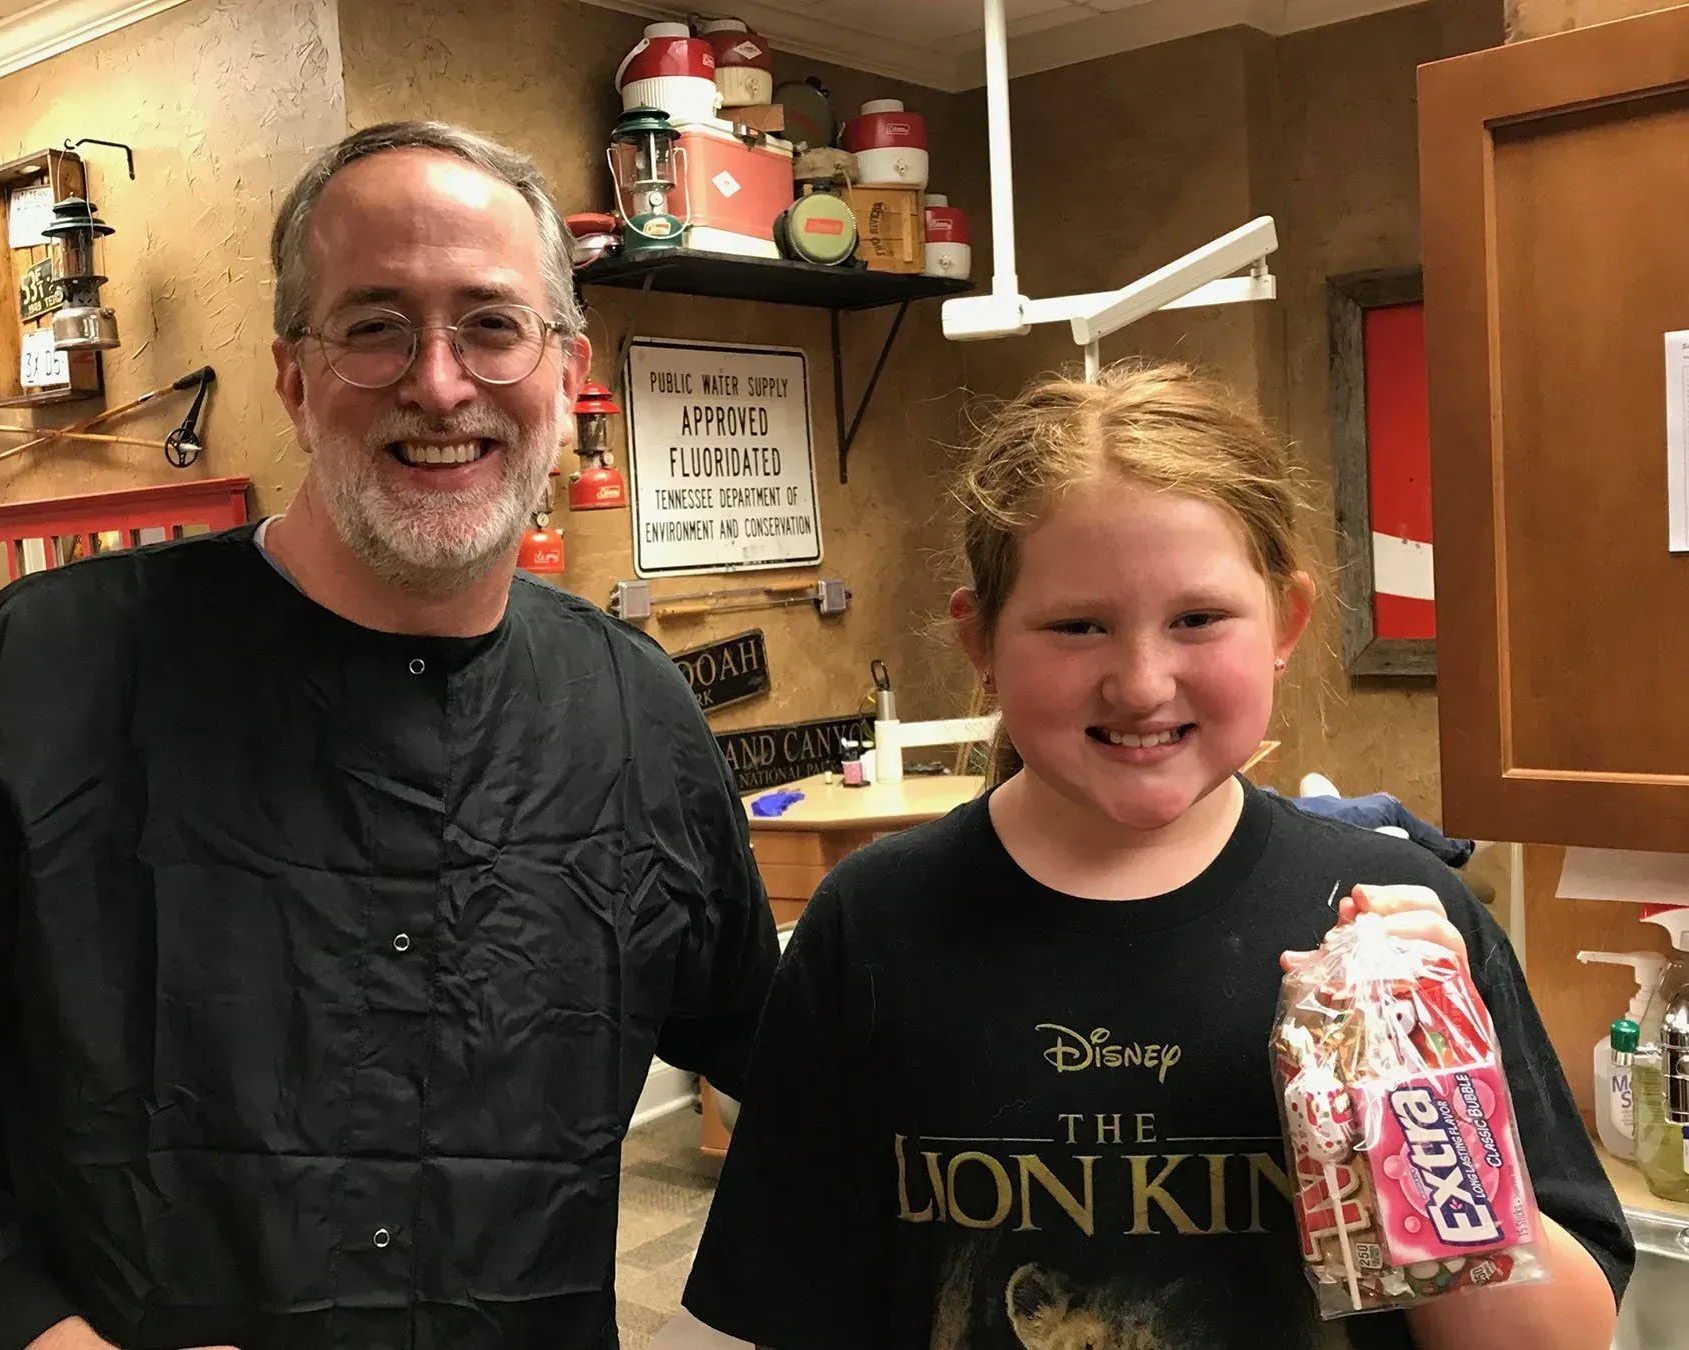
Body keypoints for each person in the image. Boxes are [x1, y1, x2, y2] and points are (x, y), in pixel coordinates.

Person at [0, 122, 778, 1350]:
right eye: (372, 325)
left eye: (491, 322)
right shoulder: (53, 673)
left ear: (566, 372)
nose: (440, 381)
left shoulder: (639, 715)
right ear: (294, 380)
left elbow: (787, 1057)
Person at [681, 365, 1631, 1350]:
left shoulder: (1395, 919)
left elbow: (1547, 1343)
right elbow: (797, 1310)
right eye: (1077, 625)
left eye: (1197, 619)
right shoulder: (874, 925)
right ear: (982, 641)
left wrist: (1429, 1105)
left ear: (1286, 624)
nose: (1139, 682)